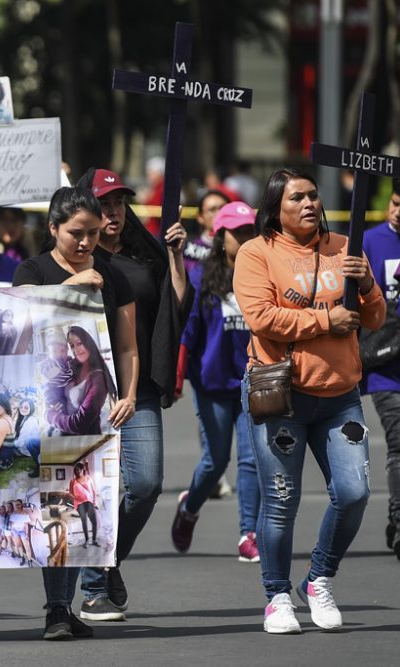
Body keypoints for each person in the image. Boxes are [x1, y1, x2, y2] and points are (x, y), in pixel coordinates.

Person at [234, 168, 384, 634]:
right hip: (282, 396)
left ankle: (318, 578)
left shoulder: (346, 248)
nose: (309, 204)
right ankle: (277, 595)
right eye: (297, 198)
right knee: (281, 500)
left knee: (355, 493)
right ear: (275, 208)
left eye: (313, 196)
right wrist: (325, 322)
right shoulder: (256, 252)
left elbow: (374, 319)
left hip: (341, 397)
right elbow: (260, 316)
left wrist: (367, 286)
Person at [12, 184, 140, 638]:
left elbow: (126, 346)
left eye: (91, 233)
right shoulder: (33, 268)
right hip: (51, 413)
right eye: (76, 233)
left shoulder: (112, 273)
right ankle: (56, 609)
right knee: (57, 504)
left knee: (97, 498)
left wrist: (128, 394)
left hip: (102, 409)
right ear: (53, 229)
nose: (86, 242)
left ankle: (71, 603)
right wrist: (69, 286)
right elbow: (19, 321)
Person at [74, 168, 191, 623]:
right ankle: (93, 587)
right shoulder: (73, 258)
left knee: (145, 485)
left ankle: (108, 559)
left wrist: (176, 258)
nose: (114, 212)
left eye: (120, 203)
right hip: (83, 396)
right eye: (104, 204)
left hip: (135, 391)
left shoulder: (147, 254)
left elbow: (176, 306)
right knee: (95, 493)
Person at [172, 201, 262, 562]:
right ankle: (189, 509)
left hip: (251, 381)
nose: (244, 238)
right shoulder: (200, 277)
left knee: (251, 459)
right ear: (220, 236)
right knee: (215, 461)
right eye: (237, 233)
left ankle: (248, 534)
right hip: (210, 383)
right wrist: (176, 379)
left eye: (249, 231)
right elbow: (188, 332)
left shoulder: (261, 275)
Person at [360, 178, 400, 562]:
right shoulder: (371, 241)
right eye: (395, 203)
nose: (398, 212)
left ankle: (395, 514)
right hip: (387, 363)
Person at [43, 326, 116, 436]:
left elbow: (80, 424)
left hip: (85, 441)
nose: (76, 350)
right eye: (72, 346)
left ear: (89, 343)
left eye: (79, 343)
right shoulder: (73, 367)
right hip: (61, 432)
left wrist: (50, 416)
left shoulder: (99, 379)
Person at [183, 189, 231, 272]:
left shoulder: (237, 247)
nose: (219, 214)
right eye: (212, 210)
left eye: (223, 208)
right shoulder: (187, 248)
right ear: (200, 217)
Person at [71, 463, 100, 548]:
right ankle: (87, 540)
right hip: (79, 503)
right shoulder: (73, 481)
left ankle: (94, 540)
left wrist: (94, 502)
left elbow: (93, 491)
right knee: (84, 520)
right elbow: (70, 492)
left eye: (79, 469)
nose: (77, 471)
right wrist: (75, 497)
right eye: (76, 470)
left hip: (89, 501)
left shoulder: (88, 478)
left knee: (94, 521)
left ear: (82, 469)